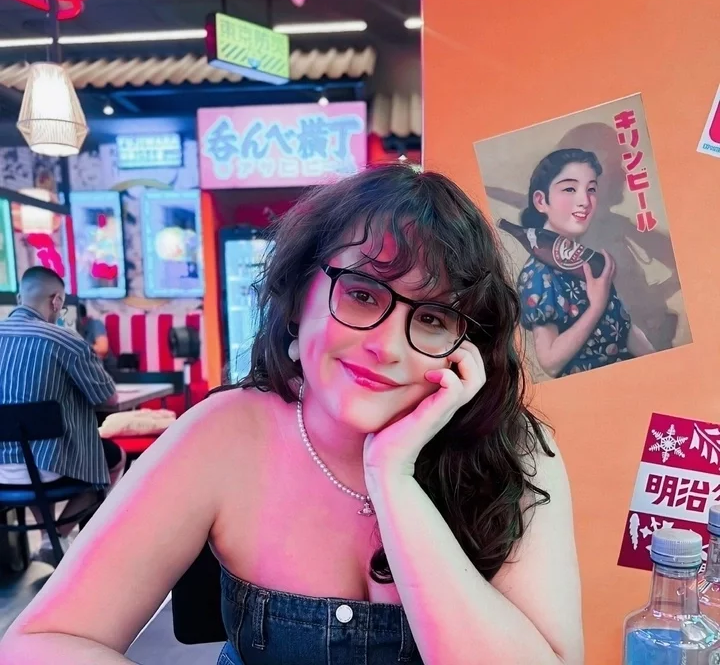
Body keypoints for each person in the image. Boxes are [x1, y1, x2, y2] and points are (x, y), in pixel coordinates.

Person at [0, 167, 583, 665]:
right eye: (362, 294)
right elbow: (40, 642)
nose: (387, 346)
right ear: (298, 296)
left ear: (466, 345)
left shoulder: (515, 451)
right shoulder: (226, 434)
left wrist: (393, 478)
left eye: (432, 318)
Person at [0, 267, 125, 564]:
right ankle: (55, 536)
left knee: (30, 452)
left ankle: (49, 540)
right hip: (45, 468)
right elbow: (109, 400)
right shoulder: (64, 340)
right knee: (113, 458)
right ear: (56, 301)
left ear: (19, 298)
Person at [518, 148, 655, 378]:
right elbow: (550, 363)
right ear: (541, 201)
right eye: (570, 189)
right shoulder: (539, 274)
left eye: (591, 189)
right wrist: (596, 307)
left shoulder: (588, 259)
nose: (584, 201)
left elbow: (625, 330)